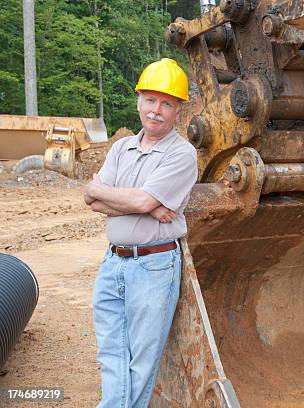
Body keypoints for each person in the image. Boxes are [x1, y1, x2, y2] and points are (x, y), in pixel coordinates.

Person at [84, 58, 198, 408]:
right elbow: (91, 198)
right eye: (150, 100)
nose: (156, 110)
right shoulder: (121, 148)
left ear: (178, 110)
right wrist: (145, 204)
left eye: (166, 103)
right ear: (139, 102)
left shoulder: (182, 154)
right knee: (112, 356)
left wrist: (139, 200)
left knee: (142, 363)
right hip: (113, 263)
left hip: (154, 266)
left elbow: (134, 197)